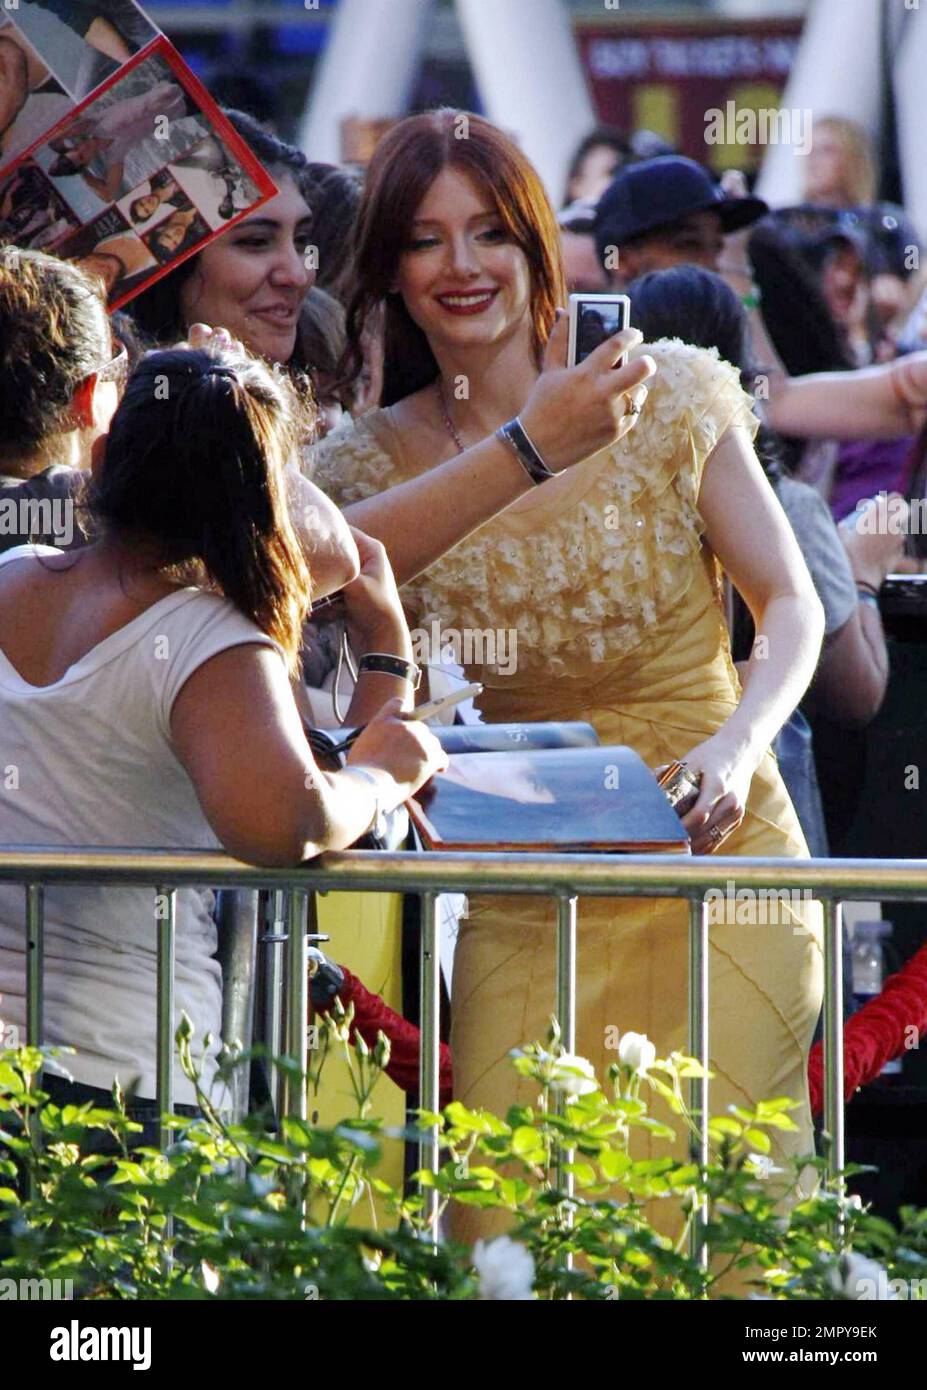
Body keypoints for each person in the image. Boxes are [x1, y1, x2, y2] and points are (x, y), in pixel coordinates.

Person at [310, 109, 827, 1248]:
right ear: (390, 265)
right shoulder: (355, 462)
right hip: (531, 882)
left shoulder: (673, 391)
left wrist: (738, 746)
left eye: (492, 233)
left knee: (721, 1224)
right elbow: (308, 568)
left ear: (541, 246)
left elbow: (792, 607)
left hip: (721, 857)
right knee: (511, 1223)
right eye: (427, 239)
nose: (463, 266)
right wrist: (530, 445)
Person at [0, 337, 447, 1137]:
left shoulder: (13, 575)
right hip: (122, 1077)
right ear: (268, 497)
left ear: (100, 460)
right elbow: (286, 822)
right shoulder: (211, 642)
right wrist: (382, 776)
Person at [0, 247, 359, 594]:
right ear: (87, 396)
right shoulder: (80, 507)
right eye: (121, 365)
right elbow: (331, 556)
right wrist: (227, 403)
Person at [48, 78, 191, 202]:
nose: (83, 148)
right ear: (87, 162)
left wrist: (60, 141)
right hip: (185, 107)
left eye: (76, 148)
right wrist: (83, 174)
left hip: (172, 86)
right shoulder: (114, 155)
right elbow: (108, 195)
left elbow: (60, 134)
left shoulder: (94, 124)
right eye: (81, 155)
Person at [802, 116, 876, 210]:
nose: (813, 158)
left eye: (826, 150)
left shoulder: (872, 221)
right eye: (809, 150)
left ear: (851, 160)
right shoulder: (787, 220)